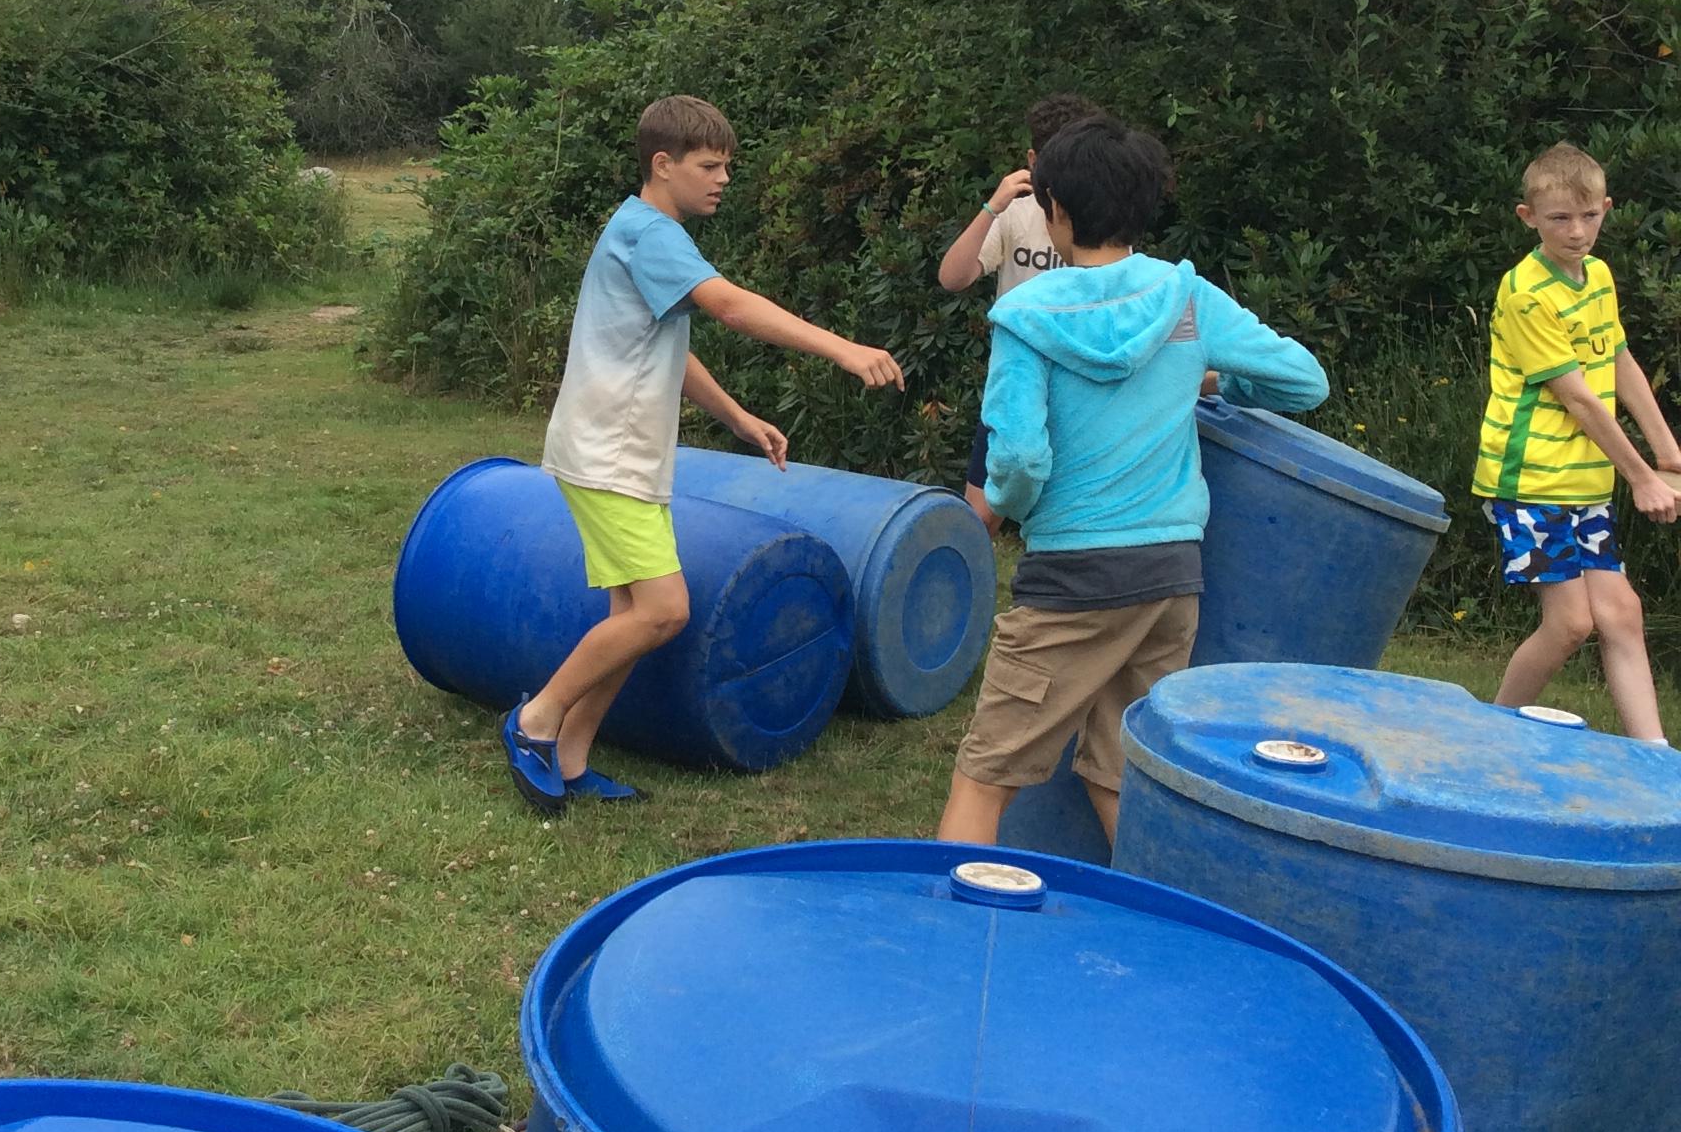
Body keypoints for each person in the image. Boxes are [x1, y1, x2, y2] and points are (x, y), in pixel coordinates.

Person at [505, 93, 906, 813]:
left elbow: (670, 348)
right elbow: (730, 306)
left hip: (623, 452)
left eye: (726, 166)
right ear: (663, 164)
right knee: (663, 613)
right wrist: (843, 349)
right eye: (710, 166)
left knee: (631, 615)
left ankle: (571, 758)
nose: (724, 179)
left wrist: (739, 418)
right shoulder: (651, 234)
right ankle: (536, 721)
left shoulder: (644, 231)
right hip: (607, 454)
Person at [937, 114, 1328, 850]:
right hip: (1169, 575)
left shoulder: (1024, 316)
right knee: (1120, 773)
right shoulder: (1186, 299)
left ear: (1055, 208)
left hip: (1071, 577)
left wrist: (1016, 511)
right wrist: (1208, 377)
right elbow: (1303, 382)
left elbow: (1018, 460)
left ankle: (953, 923)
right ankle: (1156, 918)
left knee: (984, 777)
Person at [1472, 140, 1680, 742]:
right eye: (1560, 218)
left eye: (1589, 216)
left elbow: (1617, 358)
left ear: (1606, 209)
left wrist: (1668, 452)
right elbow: (1581, 399)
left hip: (1585, 481)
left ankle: (1655, 757)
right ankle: (1488, 731)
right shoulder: (1527, 293)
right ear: (1528, 217)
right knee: (1570, 624)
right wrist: (1641, 477)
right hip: (1531, 481)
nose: (1577, 232)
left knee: (1622, 614)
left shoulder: (1598, 276)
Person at [937, 94, 1102, 532]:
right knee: (977, 520)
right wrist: (993, 206)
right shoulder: (1016, 215)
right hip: (1016, 387)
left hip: (1079, 390)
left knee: (1067, 518)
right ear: (1033, 161)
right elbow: (952, 278)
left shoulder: (1102, 216)